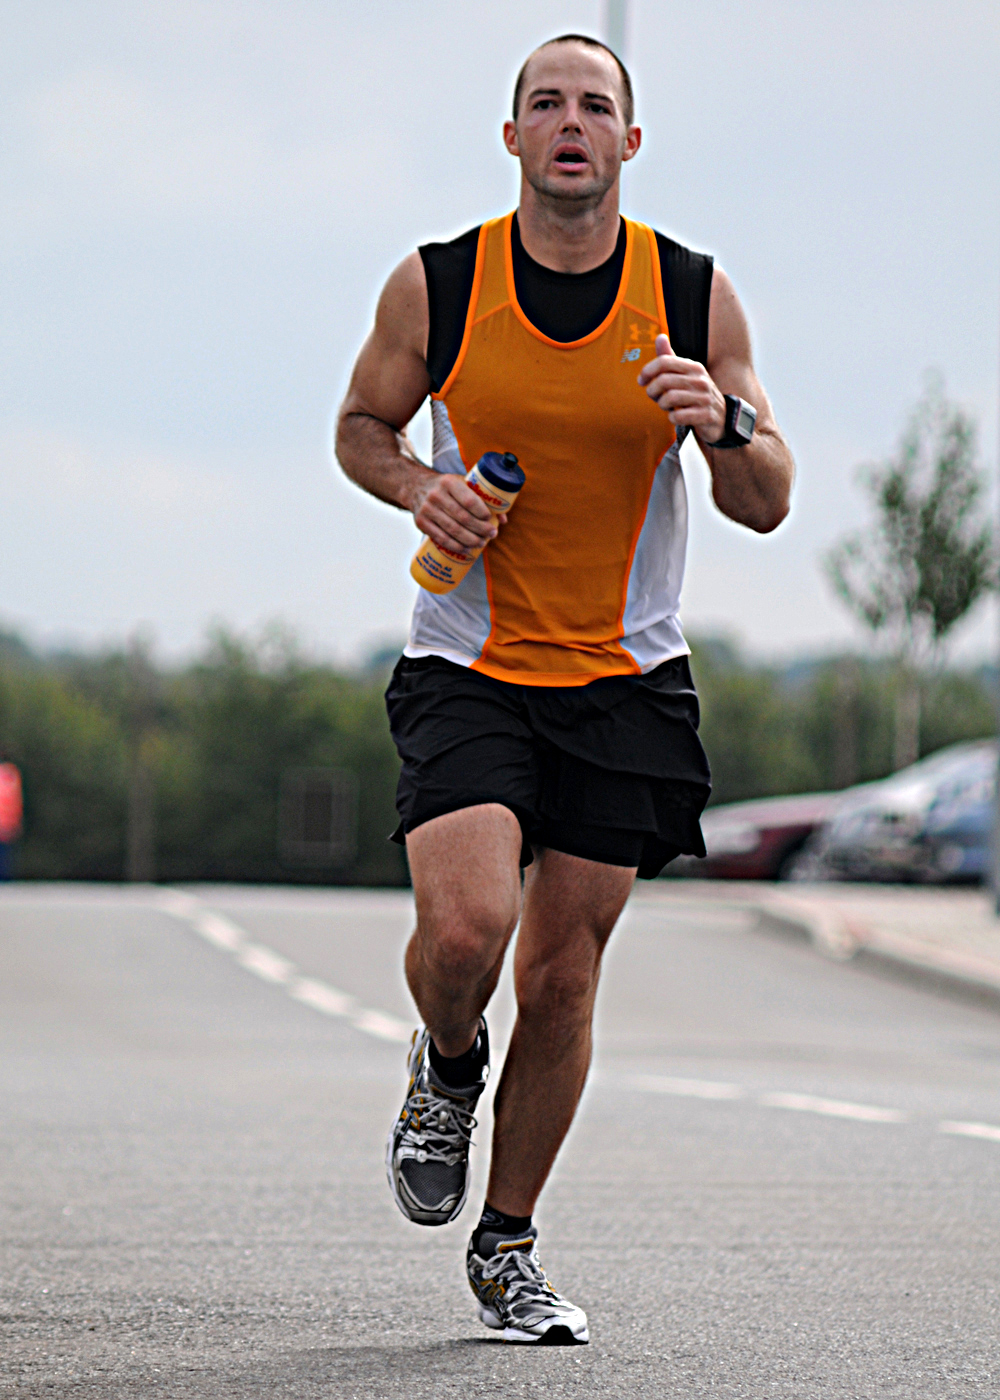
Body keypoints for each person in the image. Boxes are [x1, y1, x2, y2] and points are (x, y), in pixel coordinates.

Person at [336, 33, 794, 1345]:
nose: (573, 123)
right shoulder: (441, 284)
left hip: (628, 679)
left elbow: (767, 503)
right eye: (547, 104)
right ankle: (446, 1068)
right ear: (515, 136)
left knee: (567, 976)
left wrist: (725, 423)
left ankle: (509, 1246)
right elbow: (361, 425)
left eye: (597, 105)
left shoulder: (693, 296)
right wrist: (419, 484)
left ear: (631, 142)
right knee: (469, 936)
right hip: (468, 661)